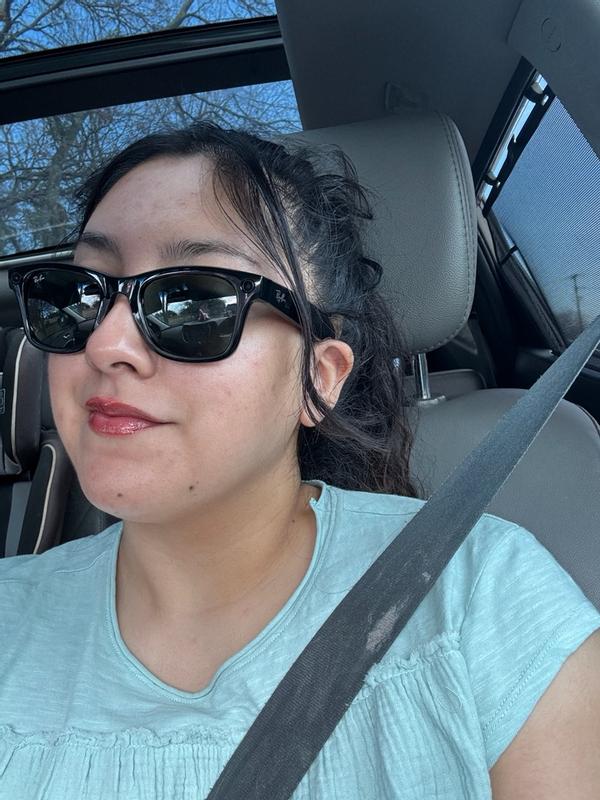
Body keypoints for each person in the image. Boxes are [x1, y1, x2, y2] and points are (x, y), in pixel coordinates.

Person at [1, 122, 599, 799]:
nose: (105, 344)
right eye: (79, 295)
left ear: (318, 378)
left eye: (194, 301)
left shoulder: (483, 595)